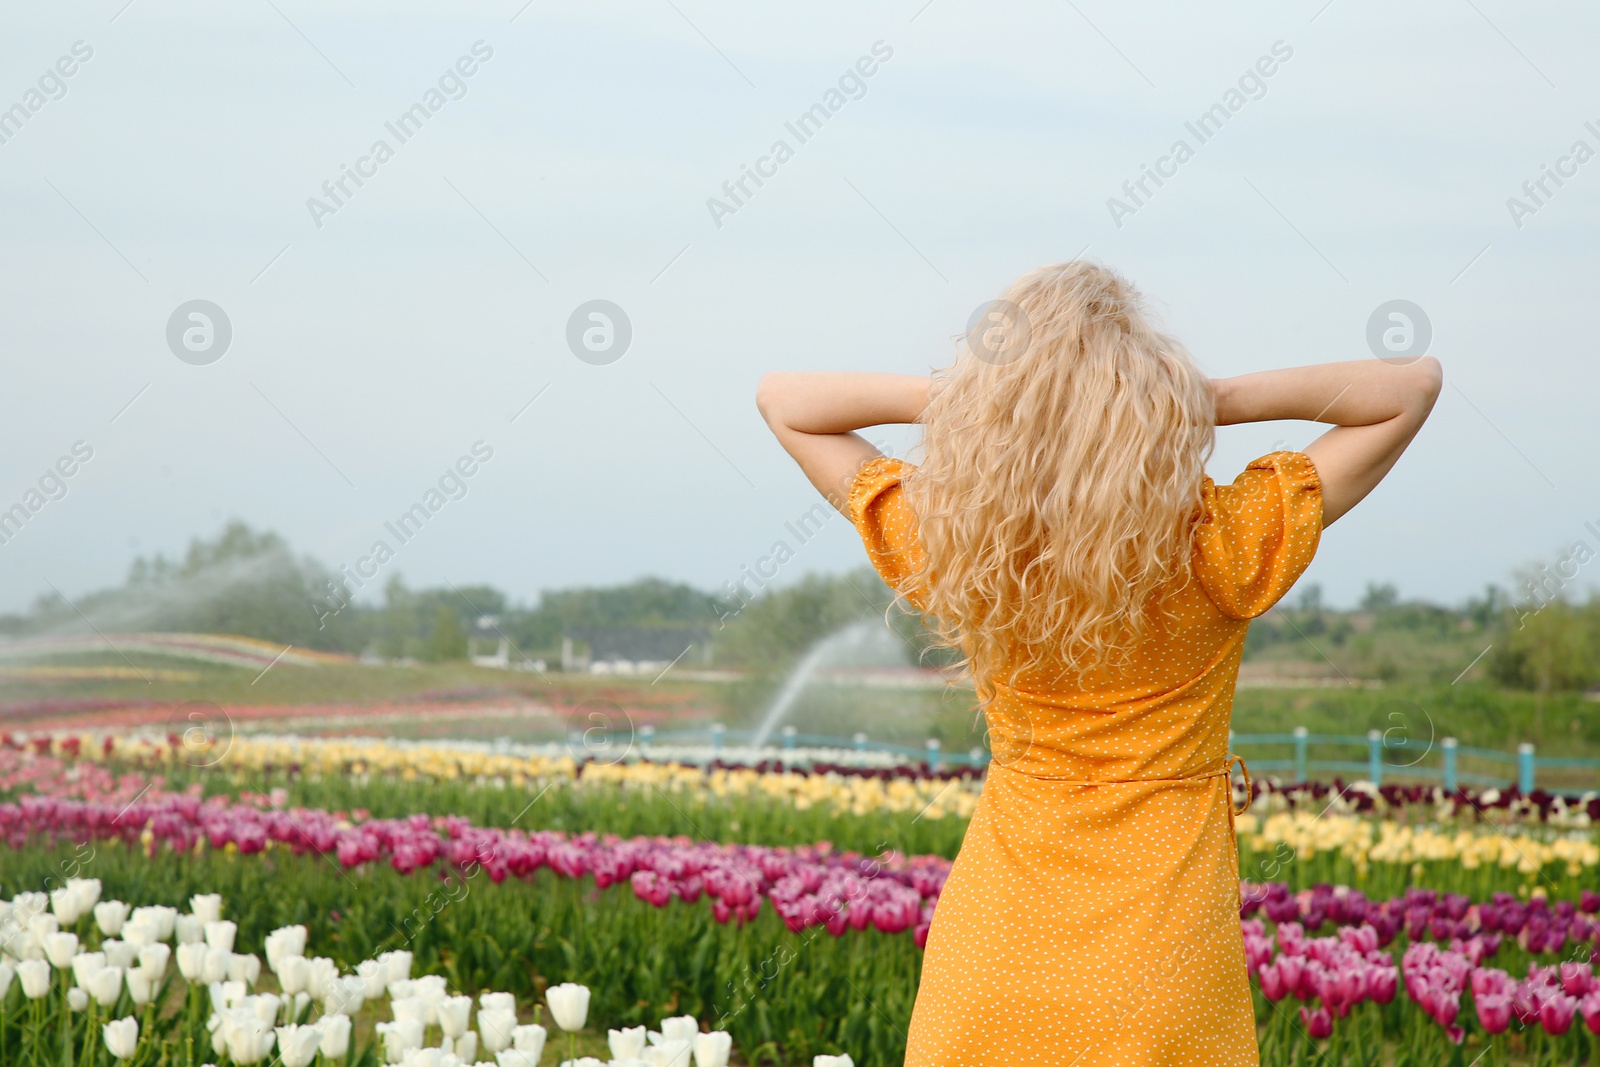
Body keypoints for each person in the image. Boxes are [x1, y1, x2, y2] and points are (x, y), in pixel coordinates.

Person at [756, 260, 1441, 1066]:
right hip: (1159, 959)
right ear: (1147, 397)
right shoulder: (1216, 541)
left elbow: (784, 400)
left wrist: (1005, 400)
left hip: (993, 955)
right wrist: (1198, 400)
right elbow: (1413, 383)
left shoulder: (958, 547)